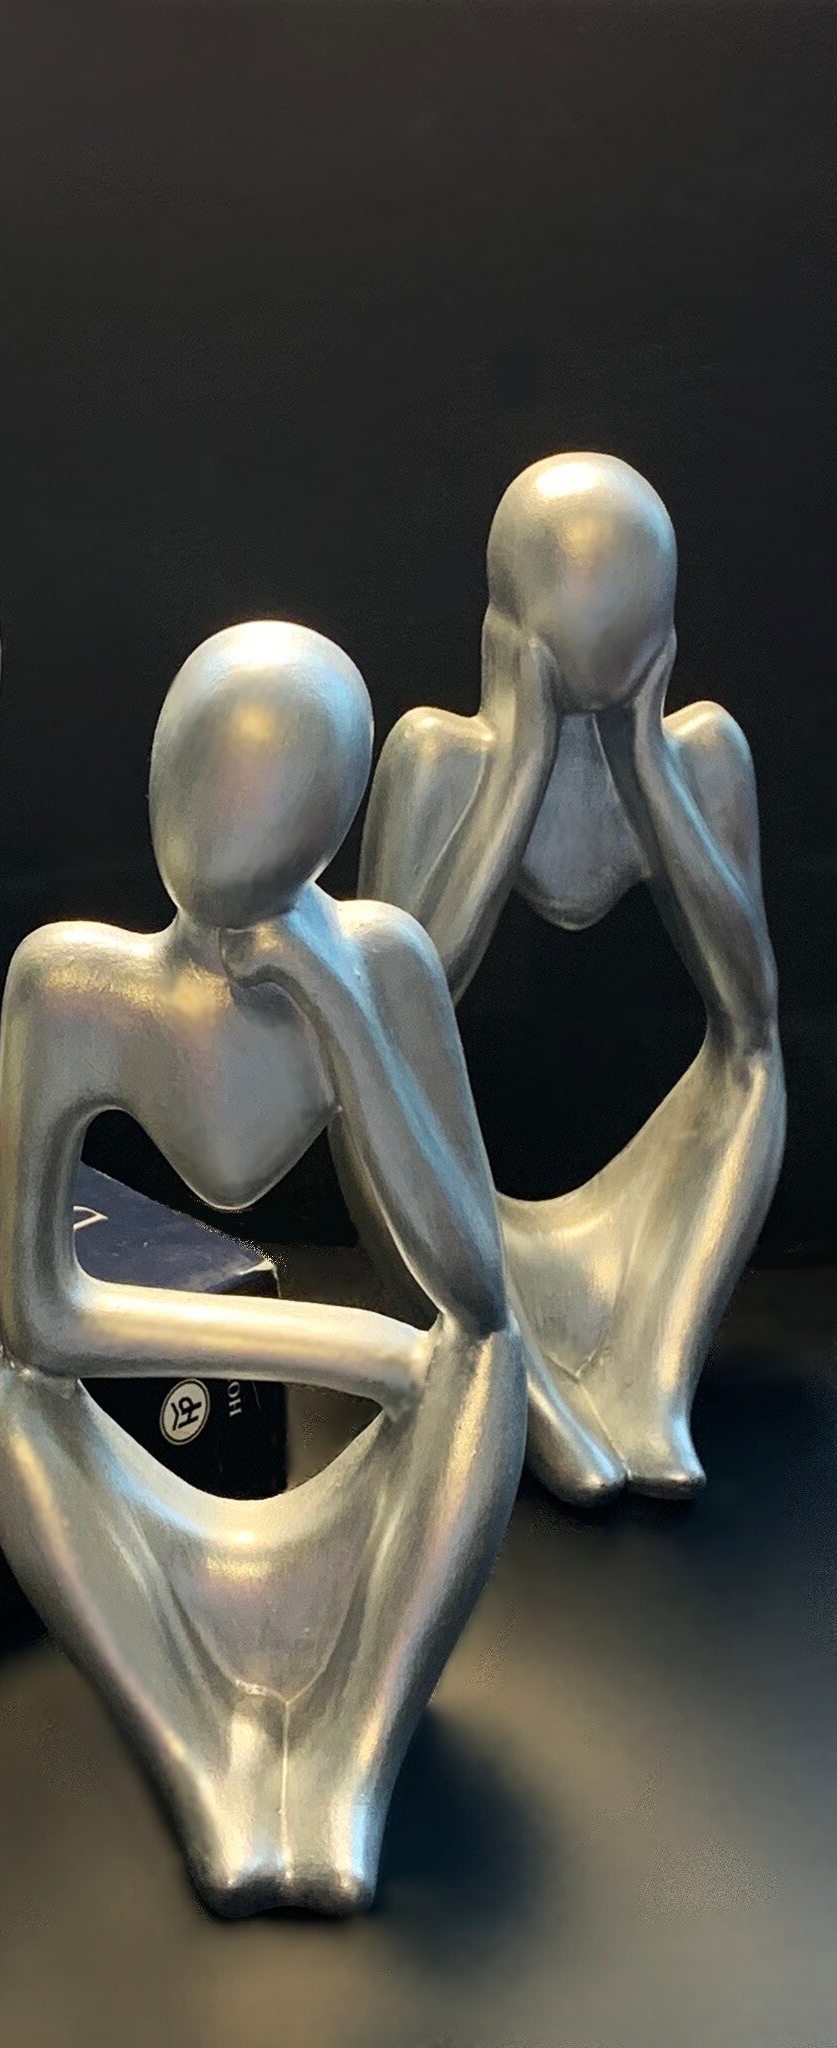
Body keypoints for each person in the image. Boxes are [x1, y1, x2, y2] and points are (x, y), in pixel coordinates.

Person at [0, 622, 525, 1916]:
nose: (224, 843)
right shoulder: (70, 985)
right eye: (205, 791)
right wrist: (360, 1351)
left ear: (326, 826)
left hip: (374, 1510)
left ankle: (351, 1760)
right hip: (152, 1522)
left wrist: (339, 1011)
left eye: (269, 812)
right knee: (16, 1406)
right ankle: (201, 1764)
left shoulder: (384, 965)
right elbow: (39, 1317)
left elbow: (477, 1292)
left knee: (487, 1374)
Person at [361, 453, 785, 1501]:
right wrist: (519, 767)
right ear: (505, 635)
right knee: (373, 1091)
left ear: (664, 635)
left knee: (754, 1069)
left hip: (636, 1245)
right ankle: (525, 1384)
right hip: (472, 1238)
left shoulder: (703, 755)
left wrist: (643, 760)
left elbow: (749, 1013)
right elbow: (394, 1019)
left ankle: (652, 1385)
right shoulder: (438, 759)